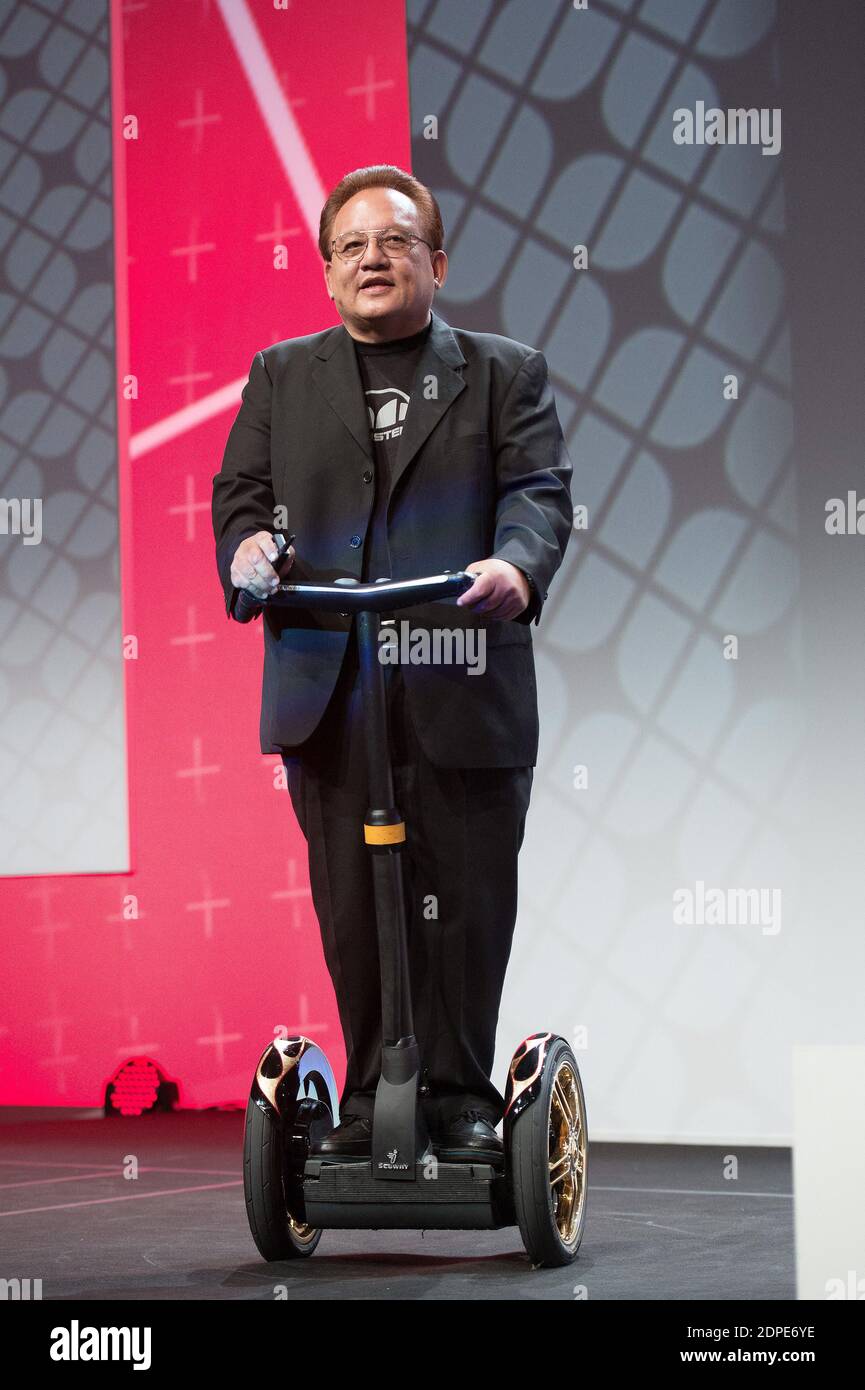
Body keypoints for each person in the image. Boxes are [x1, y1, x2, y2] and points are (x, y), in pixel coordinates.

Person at [211, 165, 573, 1164]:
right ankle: (372, 1098)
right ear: (327, 271)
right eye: (352, 245)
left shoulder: (503, 371)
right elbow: (240, 498)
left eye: (396, 241)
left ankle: (457, 1096)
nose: (373, 258)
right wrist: (248, 553)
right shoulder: (282, 376)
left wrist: (515, 564)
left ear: (437, 262)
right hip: (331, 695)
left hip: (461, 680)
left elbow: (538, 495)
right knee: (353, 903)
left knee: (461, 899)